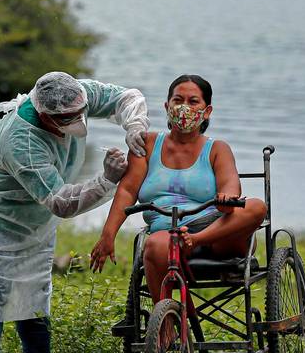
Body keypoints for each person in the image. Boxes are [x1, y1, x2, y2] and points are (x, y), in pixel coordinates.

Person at [0, 71, 148, 353]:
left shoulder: (75, 94)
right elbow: (62, 202)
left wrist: (134, 127)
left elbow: (127, 97)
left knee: (35, 289)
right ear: (45, 115)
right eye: (66, 119)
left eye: (80, 113)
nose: (77, 121)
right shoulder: (21, 140)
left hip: (34, 215)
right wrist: (106, 180)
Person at [89, 75, 266, 304]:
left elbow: (230, 184)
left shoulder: (217, 149)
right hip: (169, 231)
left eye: (193, 102)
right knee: (154, 245)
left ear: (207, 111)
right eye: (178, 100)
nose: (184, 107)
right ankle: (164, 318)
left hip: (216, 231)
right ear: (167, 106)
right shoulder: (147, 145)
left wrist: (226, 198)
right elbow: (127, 191)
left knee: (256, 207)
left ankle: (197, 239)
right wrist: (108, 234)